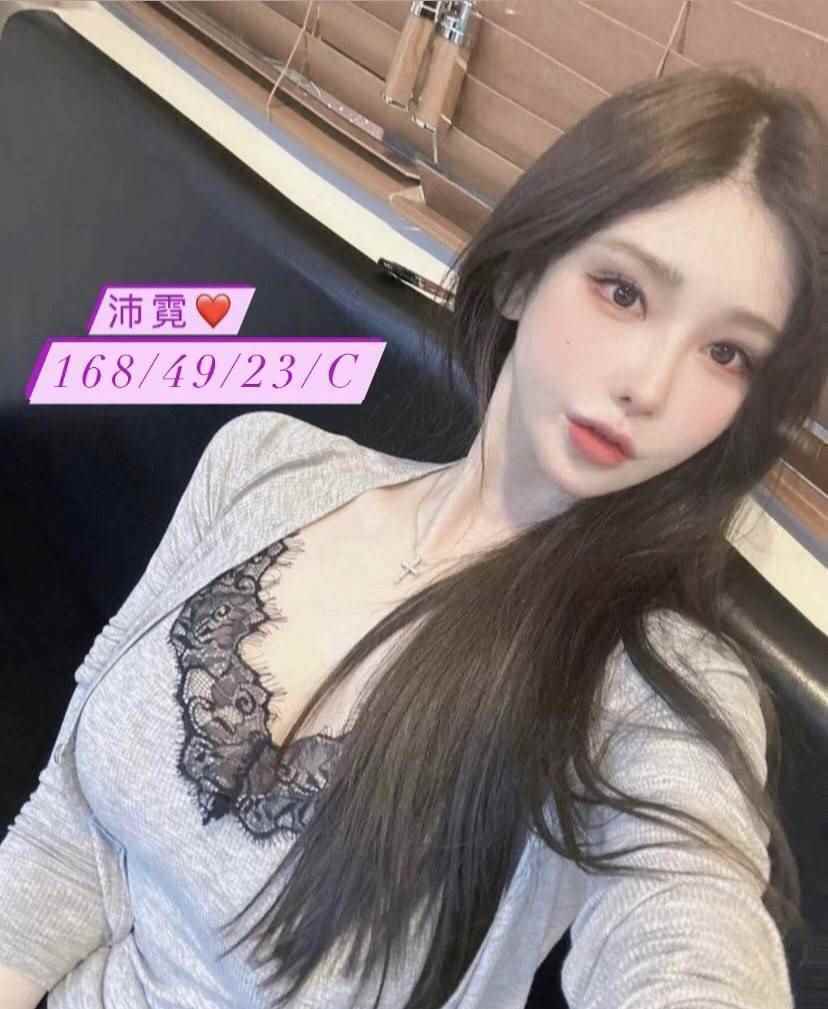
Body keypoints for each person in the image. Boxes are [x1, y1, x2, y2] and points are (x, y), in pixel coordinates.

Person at [1, 63, 826, 1009]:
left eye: (726, 353)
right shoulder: (264, 463)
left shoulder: (654, 685)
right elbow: (70, 827)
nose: (652, 384)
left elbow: (689, 929)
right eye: (624, 292)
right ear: (522, 274)